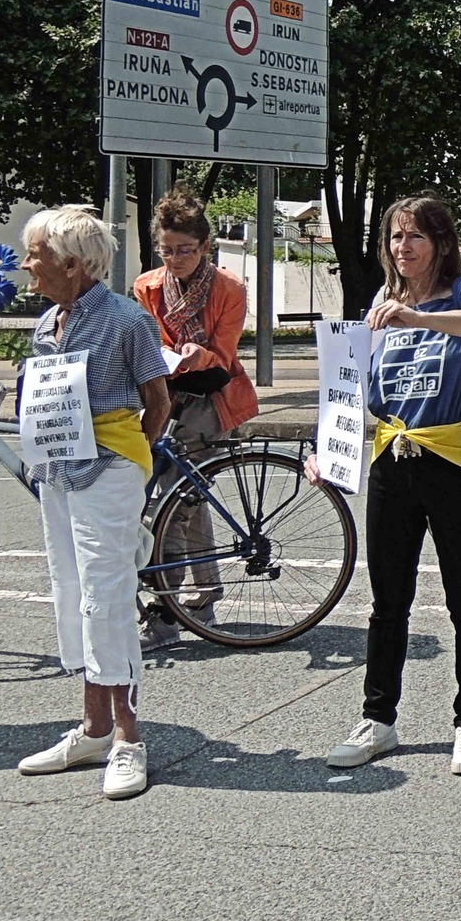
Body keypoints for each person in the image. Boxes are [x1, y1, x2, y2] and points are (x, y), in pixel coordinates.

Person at [317, 194, 461, 777]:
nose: (403, 248)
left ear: (440, 244)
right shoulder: (380, 300)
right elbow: (349, 383)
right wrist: (332, 447)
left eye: (415, 237)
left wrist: (419, 318)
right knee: (387, 602)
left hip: (450, 459)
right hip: (391, 461)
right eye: (396, 238)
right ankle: (378, 719)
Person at [15, 207, 170, 800]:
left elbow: (157, 401)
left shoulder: (128, 320)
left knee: (106, 597)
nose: (29, 264)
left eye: (38, 254)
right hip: (58, 469)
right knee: (72, 591)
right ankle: (93, 727)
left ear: (74, 265)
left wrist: (130, 458)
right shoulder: (47, 323)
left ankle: (129, 738)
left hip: (108, 468)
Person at [132, 187, 260, 648]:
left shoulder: (229, 288)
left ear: (205, 247)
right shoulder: (147, 286)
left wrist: (196, 352)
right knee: (181, 499)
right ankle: (200, 596)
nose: (175, 259)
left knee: (177, 501)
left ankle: (171, 611)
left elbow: (225, 355)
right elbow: (146, 343)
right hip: (165, 395)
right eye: (167, 250)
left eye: (185, 250)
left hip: (211, 395)